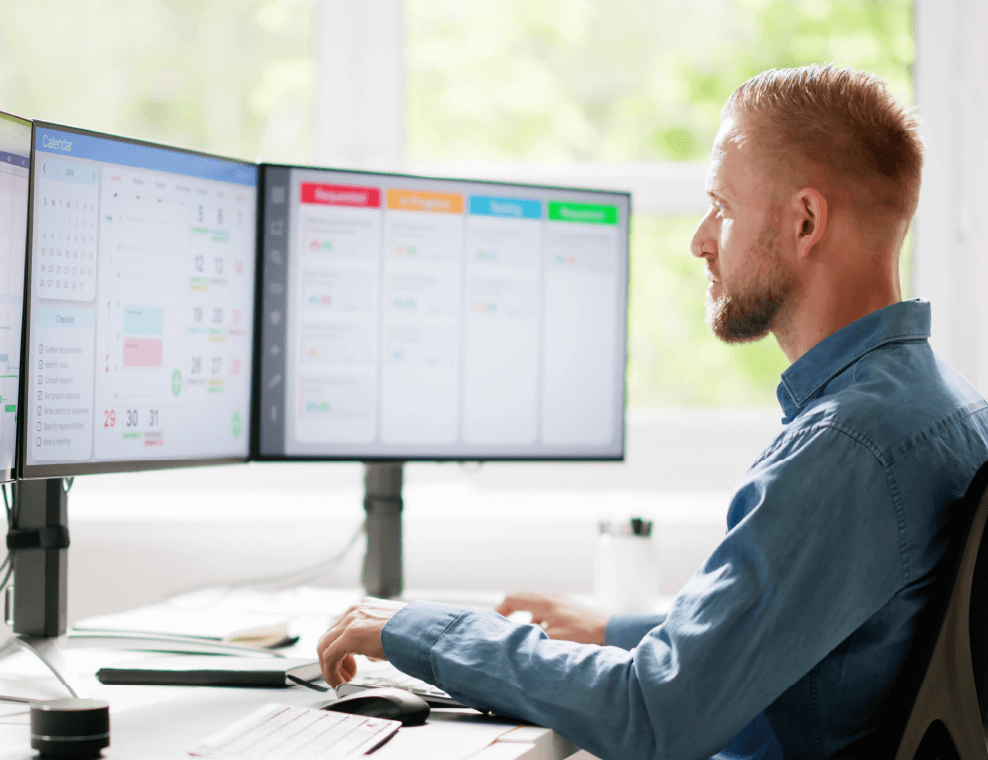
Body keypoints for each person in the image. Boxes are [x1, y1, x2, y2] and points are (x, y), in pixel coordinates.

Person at [316, 64, 988, 760]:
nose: (700, 239)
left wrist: (420, 629)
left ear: (806, 221)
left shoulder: (846, 447)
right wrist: (616, 629)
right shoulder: (944, 406)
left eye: (721, 207)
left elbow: (650, 716)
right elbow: (799, 635)